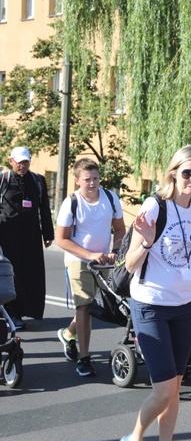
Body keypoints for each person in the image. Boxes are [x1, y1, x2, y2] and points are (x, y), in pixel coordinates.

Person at [118, 145, 191, 441]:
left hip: (185, 306)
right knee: (163, 391)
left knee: (174, 389)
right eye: (188, 173)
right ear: (174, 173)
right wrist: (147, 242)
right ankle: (134, 438)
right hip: (150, 304)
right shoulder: (154, 206)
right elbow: (130, 265)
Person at [55, 157, 126, 376]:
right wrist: (89, 255)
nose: (93, 183)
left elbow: (121, 230)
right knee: (85, 306)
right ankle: (84, 358)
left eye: (96, 178)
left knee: (96, 307)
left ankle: (69, 333)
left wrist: (114, 251)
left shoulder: (110, 198)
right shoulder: (72, 202)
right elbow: (61, 239)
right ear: (77, 181)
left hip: (103, 259)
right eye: (88, 179)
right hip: (78, 259)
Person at [0, 146, 54, 329]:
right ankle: (12, 314)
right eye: (19, 162)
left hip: (31, 237)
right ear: (11, 161)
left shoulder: (37, 180)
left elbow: (44, 208)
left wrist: (48, 233)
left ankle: (26, 311)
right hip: (7, 237)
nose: (22, 166)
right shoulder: (3, 180)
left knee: (31, 276)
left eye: (26, 162)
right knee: (11, 276)